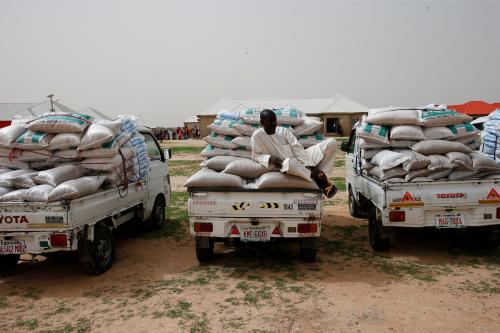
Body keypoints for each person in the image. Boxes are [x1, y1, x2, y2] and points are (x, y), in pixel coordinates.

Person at [251, 109, 337, 198]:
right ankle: (321, 182)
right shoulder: (257, 135)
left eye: (275, 121)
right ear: (262, 122)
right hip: (286, 165)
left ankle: (321, 174)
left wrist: (312, 166)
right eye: (270, 121)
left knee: (331, 142)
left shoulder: (283, 131)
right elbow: (256, 155)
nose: (274, 124)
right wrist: (269, 158)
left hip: (302, 157)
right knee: (289, 162)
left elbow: (298, 149)